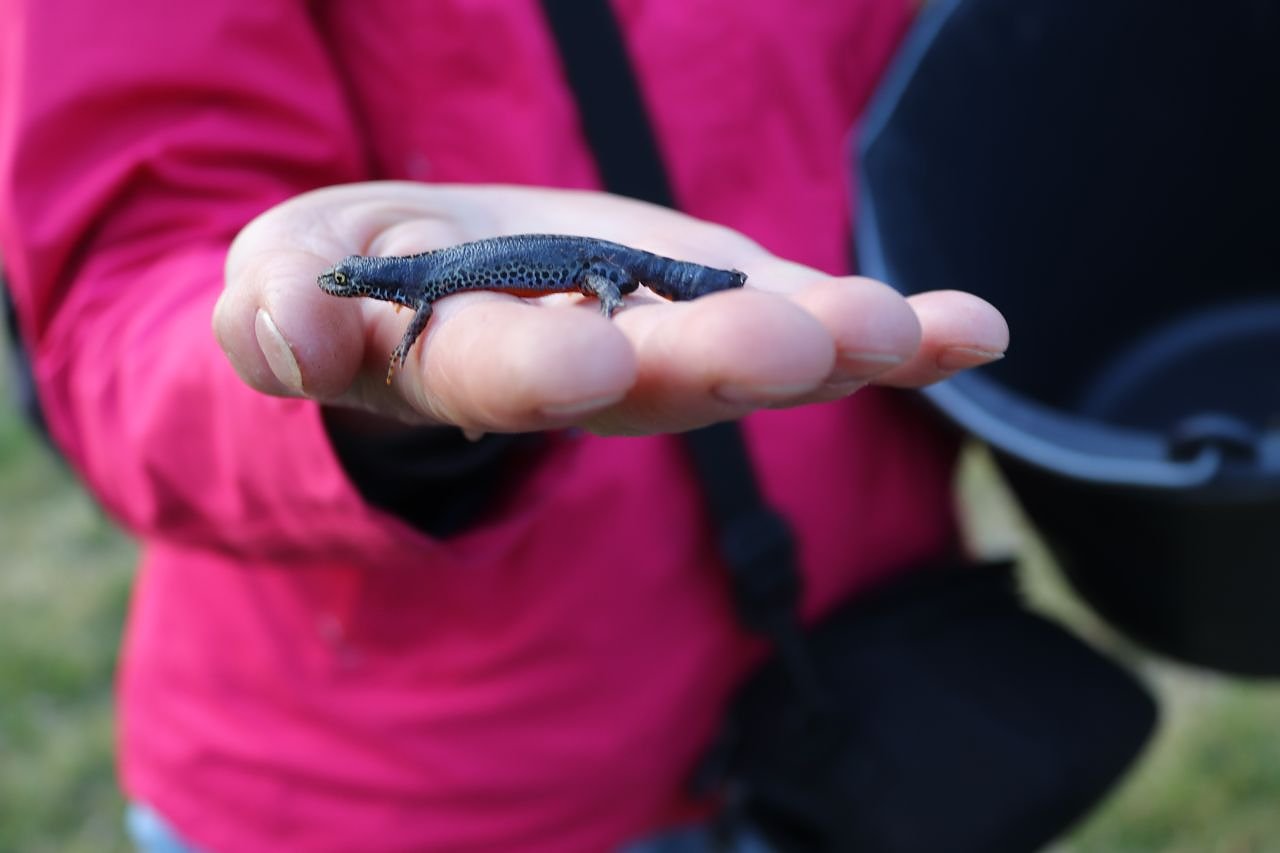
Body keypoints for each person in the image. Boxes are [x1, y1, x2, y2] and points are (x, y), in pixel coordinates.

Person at [0, 1, 1009, 851]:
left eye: (353, 289)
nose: (354, 293)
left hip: (842, 655)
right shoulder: (403, 285)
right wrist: (374, 406)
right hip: (393, 786)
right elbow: (119, 299)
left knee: (650, 286)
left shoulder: (415, 285)